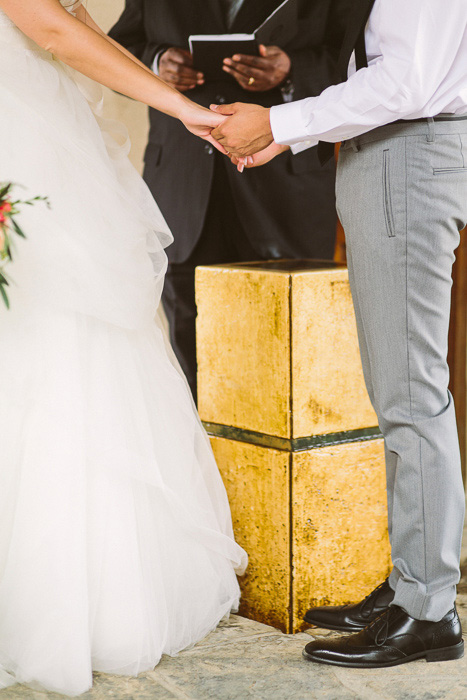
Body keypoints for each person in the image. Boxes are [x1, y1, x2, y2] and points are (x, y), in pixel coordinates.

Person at [0, 0, 247, 695]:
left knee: (68, 338)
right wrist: (182, 107)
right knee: (48, 337)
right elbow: (50, 28)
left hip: (42, 137)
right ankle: (54, 602)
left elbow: (65, 22)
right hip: (21, 144)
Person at [212, 0, 467, 668]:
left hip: (407, 150)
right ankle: (413, 581)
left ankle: (428, 610)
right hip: (386, 149)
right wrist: (286, 134)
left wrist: (281, 119)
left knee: (409, 397)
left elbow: (407, 80)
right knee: (398, 393)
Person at [109, 0, 343, 401]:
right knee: (193, 361)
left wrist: (290, 72)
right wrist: (157, 63)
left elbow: (355, 58)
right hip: (183, 193)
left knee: (292, 363)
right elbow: (117, 50)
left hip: (286, 194)